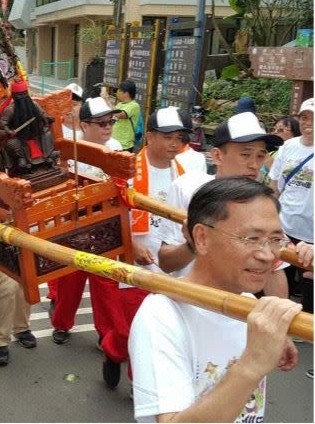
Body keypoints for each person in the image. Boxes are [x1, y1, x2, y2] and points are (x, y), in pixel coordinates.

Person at [128, 176, 301, 422]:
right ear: (202, 238)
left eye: (275, 239)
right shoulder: (161, 315)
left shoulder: (249, 302)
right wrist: (252, 364)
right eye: (251, 238)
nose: (267, 255)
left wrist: (276, 335)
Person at [100, 106, 190, 388]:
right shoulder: (125, 170)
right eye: (167, 137)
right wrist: (132, 244)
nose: (174, 144)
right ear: (149, 137)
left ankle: (142, 390)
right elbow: (110, 216)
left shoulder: (187, 173)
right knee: (130, 333)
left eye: (179, 137)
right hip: (135, 266)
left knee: (157, 336)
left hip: (173, 268)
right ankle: (113, 349)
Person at [158, 112, 284, 279]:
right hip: (187, 296)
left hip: (236, 300)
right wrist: (193, 244)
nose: (254, 165)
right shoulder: (187, 188)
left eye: (260, 156)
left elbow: (274, 270)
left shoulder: (263, 204)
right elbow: (166, 263)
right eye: (245, 154)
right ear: (217, 156)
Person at [50, 97, 123, 346]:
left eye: (110, 121)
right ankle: (61, 323)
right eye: (101, 123)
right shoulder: (70, 152)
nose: (107, 127)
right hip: (76, 224)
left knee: (106, 285)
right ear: (84, 125)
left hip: (106, 227)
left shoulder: (117, 149)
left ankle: (107, 333)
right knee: (70, 279)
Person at [270, 98, 314, 312]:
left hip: (311, 231)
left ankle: (307, 328)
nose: (308, 123)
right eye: (304, 118)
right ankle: (282, 320)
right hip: (284, 225)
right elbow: (274, 186)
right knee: (279, 276)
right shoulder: (288, 147)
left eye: (313, 118)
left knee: (309, 283)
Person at [111, 80, 141, 152]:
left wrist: (106, 100)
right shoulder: (120, 104)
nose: (118, 93)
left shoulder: (134, 106)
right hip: (114, 143)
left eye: (119, 91)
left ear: (126, 93)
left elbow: (119, 115)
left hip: (125, 145)